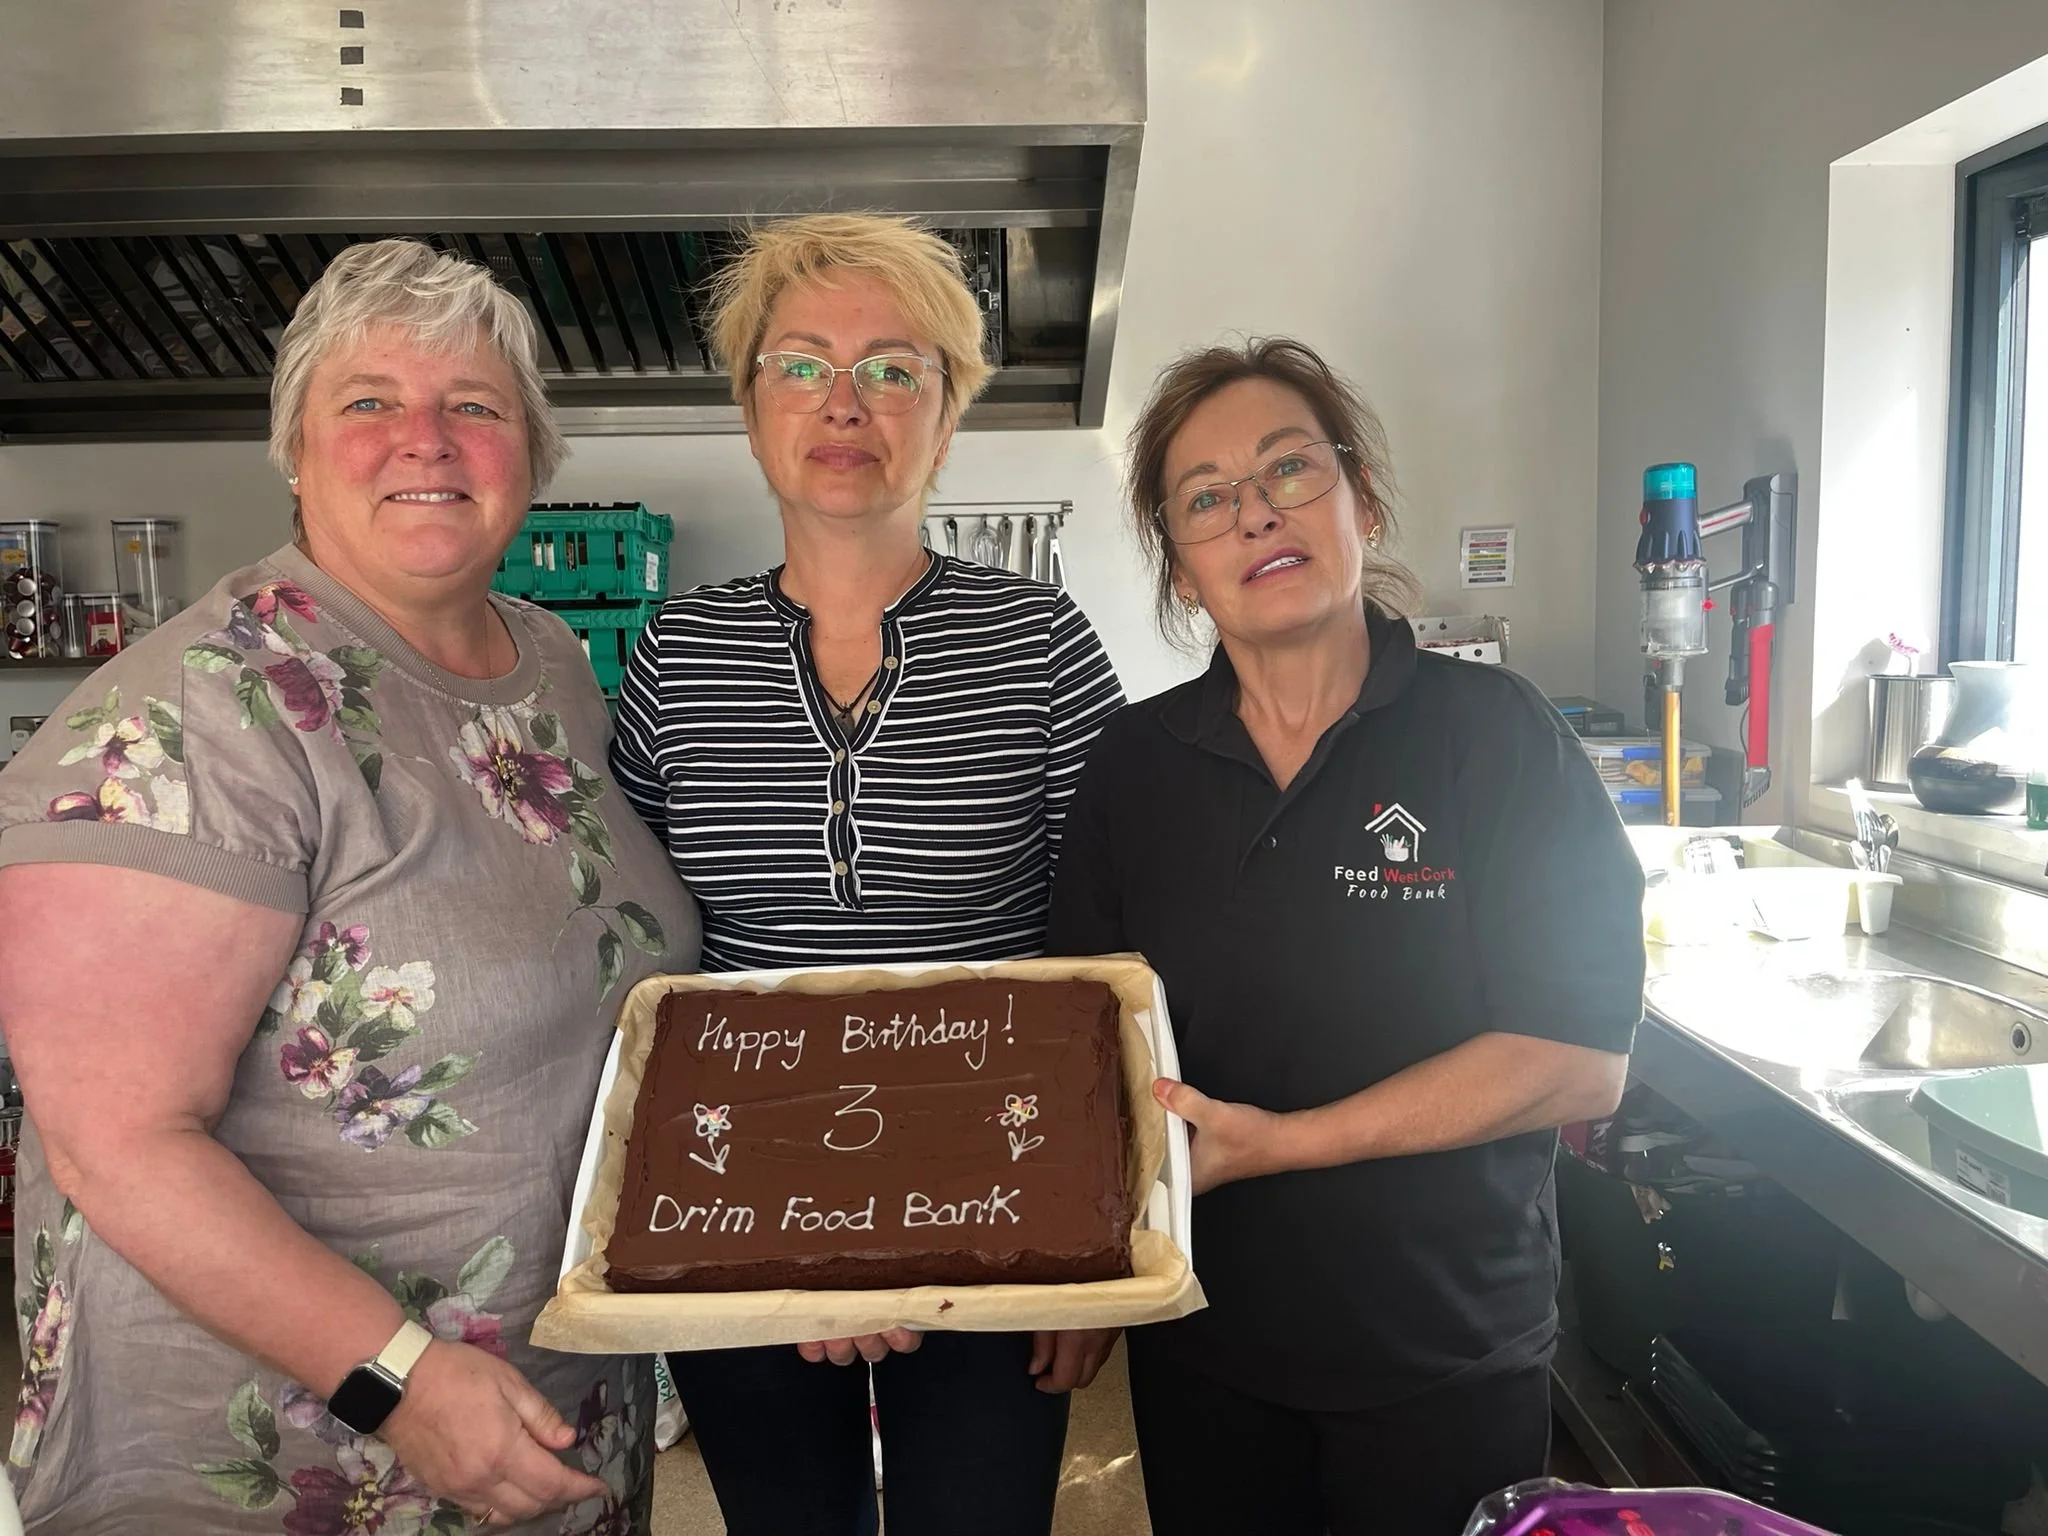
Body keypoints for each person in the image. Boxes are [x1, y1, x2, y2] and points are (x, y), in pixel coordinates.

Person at [0, 239, 700, 1533]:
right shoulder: (191, 719)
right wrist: (405, 1382)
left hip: (541, 1410)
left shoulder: (545, 664)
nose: (424, 439)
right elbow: (121, 1142)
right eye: (369, 400)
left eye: (474, 406)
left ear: (531, 457)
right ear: (296, 446)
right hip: (304, 1451)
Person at [1044, 337, 1644, 1536]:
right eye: (1205, 498)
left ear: (1359, 497)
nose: (1254, 512)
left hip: (1446, 1347)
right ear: (1179, 564)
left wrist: (1284, 1143)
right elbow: (1086, 1042)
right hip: (1207, 1342)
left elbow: (1580, 1055)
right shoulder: (1134, 769)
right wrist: (1087, 1267)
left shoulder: (1494, 737)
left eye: (1287, 470)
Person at [608, 213, 1125, 1536]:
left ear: (947, 417)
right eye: (802, 365)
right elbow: (641, 952)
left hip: (997, 1208)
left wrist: (1091, 1259)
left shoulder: (1041, 640)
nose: (848, 403)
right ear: (750, 407)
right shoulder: (678, 655)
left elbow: (1111, 951)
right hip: (740, 1217)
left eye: (897, 368)